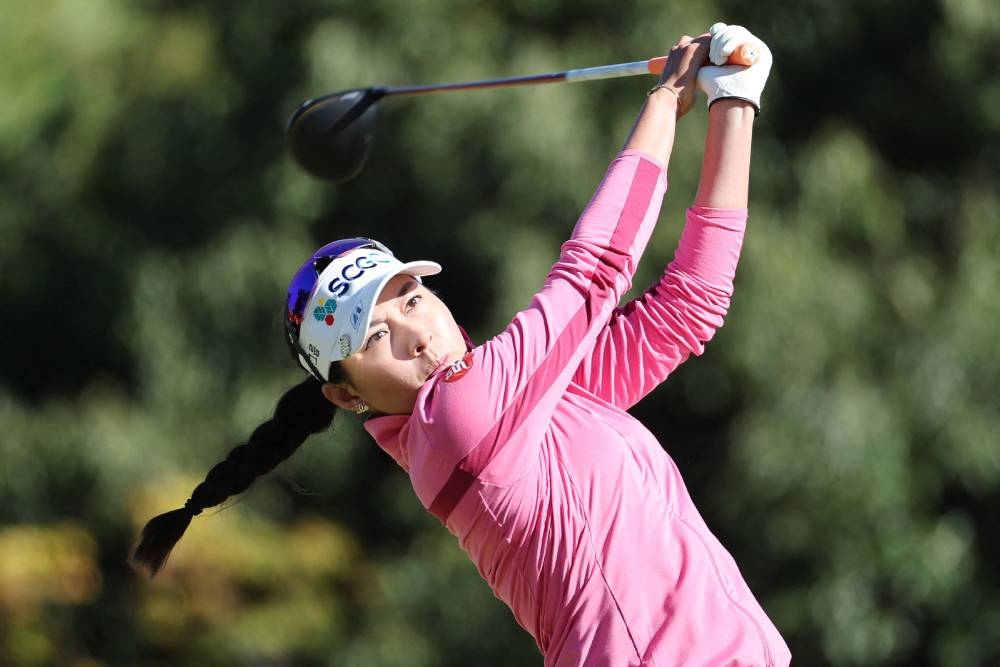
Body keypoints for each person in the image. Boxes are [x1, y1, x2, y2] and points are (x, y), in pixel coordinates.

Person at [132, 23, 791, 666]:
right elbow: (594, 271)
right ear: (345, 393)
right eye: (377, 335)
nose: (417, 334)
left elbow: (688, 308)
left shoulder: (536, 402)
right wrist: (666, 102)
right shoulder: (456, 421)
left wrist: (735, 101)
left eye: (413, 299)